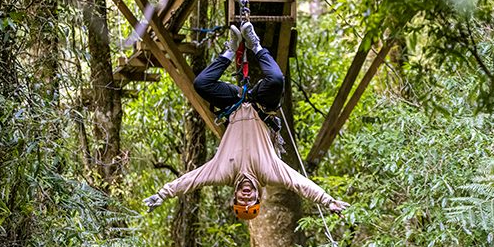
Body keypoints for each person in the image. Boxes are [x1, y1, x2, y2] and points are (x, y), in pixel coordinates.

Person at [144, 21, 348, 220]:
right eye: (250, 200)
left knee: (202, 84)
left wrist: (163, 194)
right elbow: (299, 183)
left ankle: (230, 50)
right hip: (261, 107)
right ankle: (256, 45)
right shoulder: (269, 171)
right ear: (258, 195)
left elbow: (192, 180)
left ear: (234, 196)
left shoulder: (222, 172)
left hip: (233, 104)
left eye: (242, 200)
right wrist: (328, 201)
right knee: (276, 80)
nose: (246, 196)